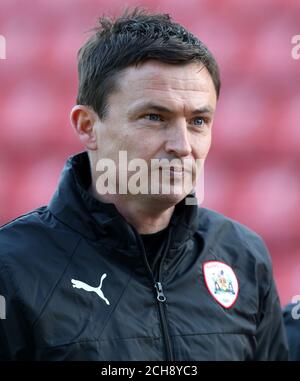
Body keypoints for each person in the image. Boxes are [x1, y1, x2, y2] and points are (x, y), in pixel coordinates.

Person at [0, 8, 288, 361]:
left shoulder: (244, 256)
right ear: (87, 126)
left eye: (198, 120)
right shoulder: (11, 266)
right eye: (154, 117)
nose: (182, 146)